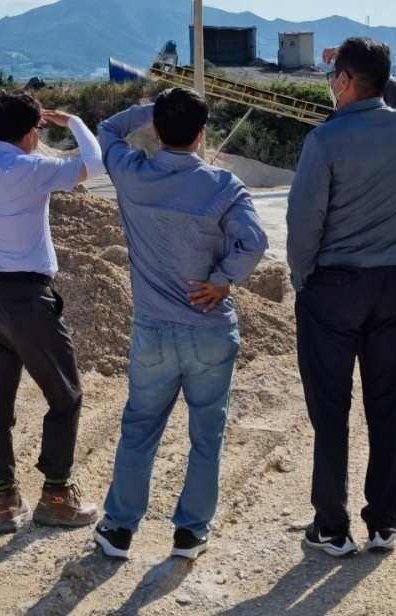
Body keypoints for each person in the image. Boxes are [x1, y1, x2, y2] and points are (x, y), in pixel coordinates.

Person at [92, 88, 268, 561]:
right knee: (207, 435)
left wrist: (155, 110)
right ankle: (190, 534)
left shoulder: (132, 175)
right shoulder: (224, 185)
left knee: (139, 428)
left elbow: (107, 129)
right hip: (209, 326)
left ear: (155, 129)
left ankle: (119, 529)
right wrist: (222, 281)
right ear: (202, 132)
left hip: (153, 328)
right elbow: (254, 241)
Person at [286, 36, 396, 557]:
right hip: (394, 279)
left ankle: (332, 527)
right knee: (386, 403)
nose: (330, 85)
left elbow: (303, 224)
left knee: (331, 410)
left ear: (343, 81)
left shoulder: (324, 140)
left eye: (333, 78)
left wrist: (303, 279)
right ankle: (385, 521)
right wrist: (371, 69)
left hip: (334, 286)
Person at [0, 91, 105, 532]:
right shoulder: (32, 168)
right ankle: (55, 496)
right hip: (26, 299)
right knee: (65, 395)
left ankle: (6, 501)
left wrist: (11, 122)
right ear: (31, 133)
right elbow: (95, 164)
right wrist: (73, 122)